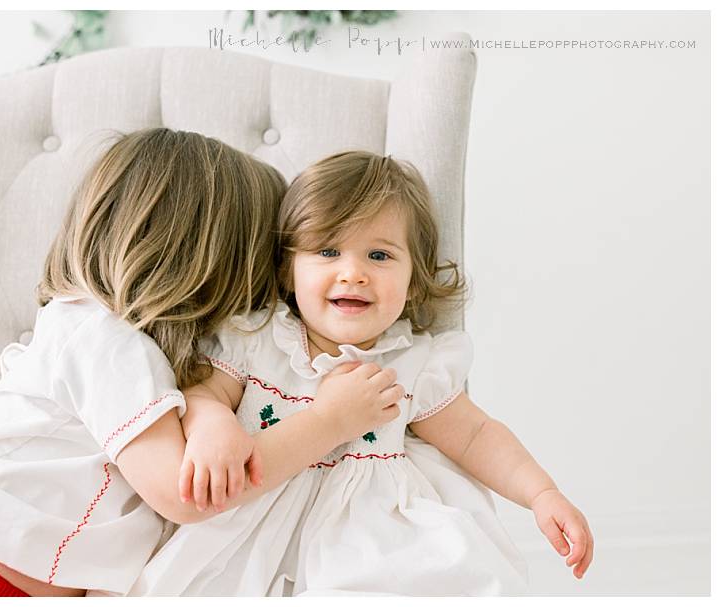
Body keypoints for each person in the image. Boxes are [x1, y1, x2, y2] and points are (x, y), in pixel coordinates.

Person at [0, 130, 400, 597]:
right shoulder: (105, 338)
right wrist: (327, 422)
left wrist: (211, 416)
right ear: (207, 260)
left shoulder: (126, 346)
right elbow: (187, 494)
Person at [130, 150, 594, 596]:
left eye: (379, 256)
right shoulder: (258, 338)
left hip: (364, 538)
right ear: (289, 271)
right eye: (328, 251)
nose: (353, 273)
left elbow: (475, 436)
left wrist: (541, 494)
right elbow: (205, 391)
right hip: (250, 530)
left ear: (414, 280)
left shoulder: (412, 363)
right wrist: (213, 425)